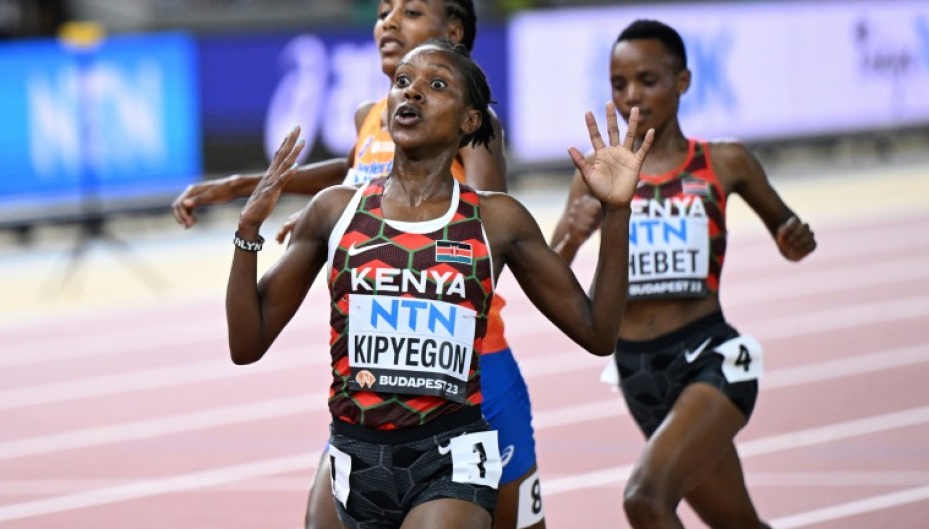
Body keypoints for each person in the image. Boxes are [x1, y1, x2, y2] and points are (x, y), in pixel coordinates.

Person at [227, 39, 652, 529]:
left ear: (470, 120)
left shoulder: (496, 220)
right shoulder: (335, 210)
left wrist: (616, 211)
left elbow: (597, 333)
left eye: (436, 86)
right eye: (402, 83)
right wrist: (246, 233)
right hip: (355, 459)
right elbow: (247, 343)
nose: (411, 94)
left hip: (451, 457)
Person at [172, 3, 547, 529]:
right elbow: (356, 179)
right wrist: (252, 189)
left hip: (474, 361)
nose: (388, 23)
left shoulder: (468, 127)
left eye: (410, 11)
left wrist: (412, 257)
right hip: (378, 382)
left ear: (453, 32)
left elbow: (488, 221)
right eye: (382, 11)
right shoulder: (373, 115)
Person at [549, 20, 816, 529]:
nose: (632, 96)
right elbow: (550, 277)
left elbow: (790, 236)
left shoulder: (725, 161)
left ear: (683, 81)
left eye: (647, 80)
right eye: (619, 83)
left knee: (645, 498)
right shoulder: (596, 178)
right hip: (637, 372)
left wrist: (795, 239)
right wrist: (573, 235)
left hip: (711, 359)